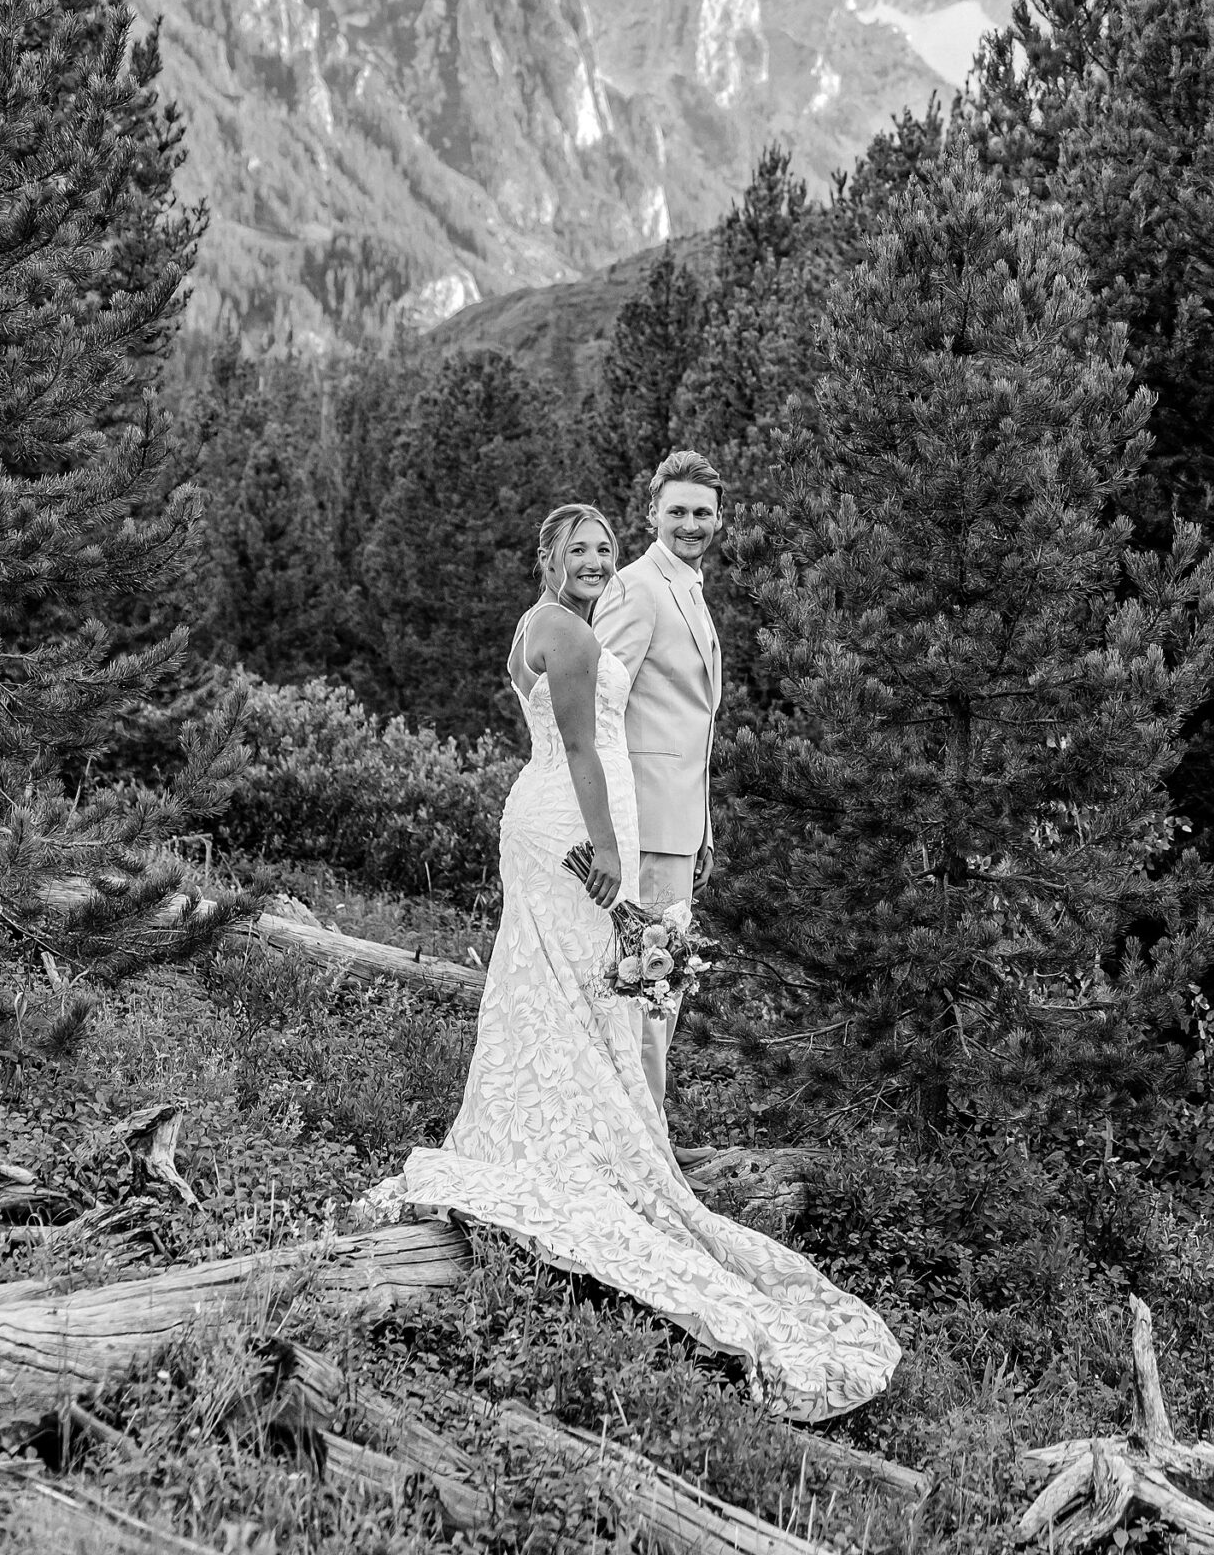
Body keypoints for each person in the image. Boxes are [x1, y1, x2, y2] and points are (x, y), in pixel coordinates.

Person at [357, 502, 899, 1422]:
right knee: (572, 985)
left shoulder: (542, 625)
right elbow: (576, 746)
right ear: (550, 559)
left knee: (560, 988)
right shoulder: (564, 631)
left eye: (606, 550)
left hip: (555, 810)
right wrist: (611, 851)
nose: (599, 563)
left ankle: (584, 1132)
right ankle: (575, 1149)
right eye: (582, 551)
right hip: (574, 819)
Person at [591, 448, 723, 1114]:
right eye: (677, 511)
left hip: (678, 824)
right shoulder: (636, 587)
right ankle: (639, 1142)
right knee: (641, 984)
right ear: (651, 515)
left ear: (719, 520)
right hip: (637, 823)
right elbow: (597, 707)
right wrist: (610, 828)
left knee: (657, 988)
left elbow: (687, 725)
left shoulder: (689, 590)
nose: (690, 523)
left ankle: (640, 1129)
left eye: (702, 512)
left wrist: (703, 828)